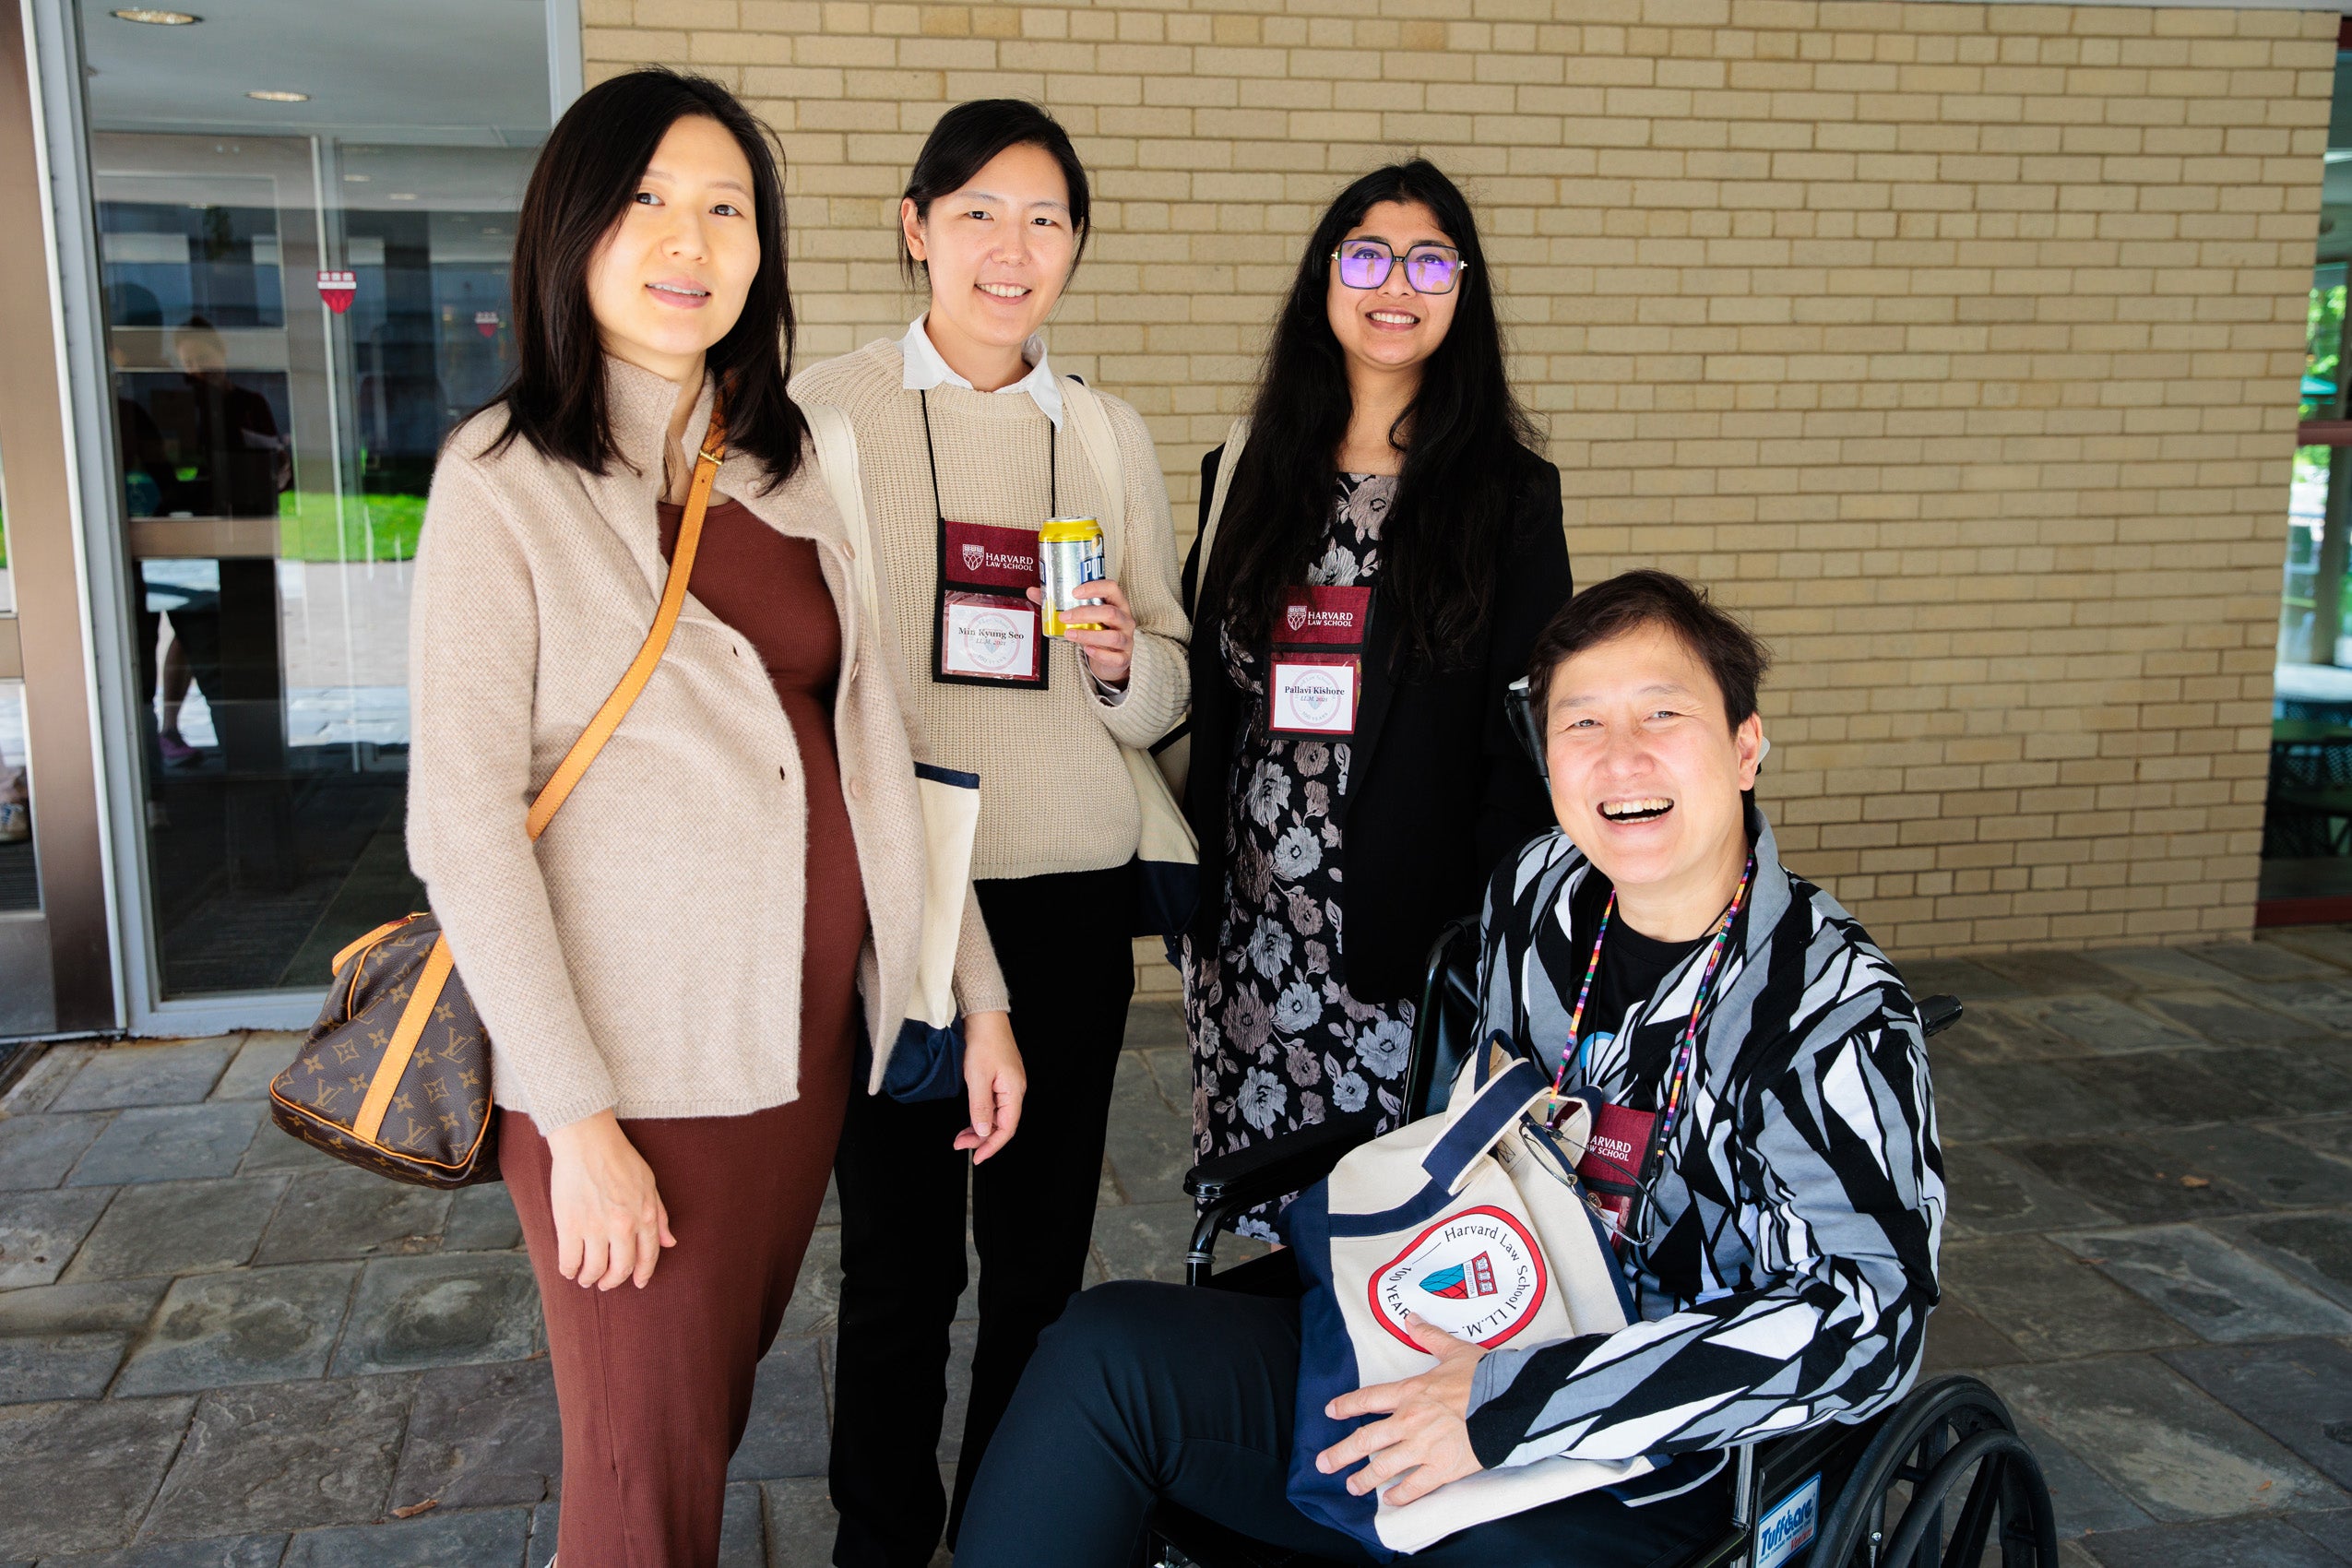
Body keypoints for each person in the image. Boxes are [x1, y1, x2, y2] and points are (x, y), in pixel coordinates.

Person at [956, 570, 1945, 1567]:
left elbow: (1874, 1320)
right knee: (1106, 1352)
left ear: (1745, 746)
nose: (1622, 755)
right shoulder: (1543, 892)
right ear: (1550, 764)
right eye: (1583, 723)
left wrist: (1513, 1404)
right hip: (1478, 1321)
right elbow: (1482, 1136)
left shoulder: (1830, 1010)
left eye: (1663, 712)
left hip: (1665, 1456)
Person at [405, 68, 1017, 1566]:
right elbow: (464, 825)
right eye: (649, 201)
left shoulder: (797, 462)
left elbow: (878, 742)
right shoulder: (504, 479)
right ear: (575, 232)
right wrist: (577, 1119)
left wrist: (971, 996)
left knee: (703, 1421)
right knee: (643, 1486)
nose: (692, 237)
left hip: (787, 1057)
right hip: (627, 1074)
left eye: (726, 206)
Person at [790, 99, 1191, 1566]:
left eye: (1043, 220)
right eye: (976, 214)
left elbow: (1167, 674)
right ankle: (880, 1545)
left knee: (1038, 1268)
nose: (1009, 250)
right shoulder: (823, 415)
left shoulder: (1104, 430)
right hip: (903, 899)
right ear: (915, 228)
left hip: (1073, 888)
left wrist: (1113, 663)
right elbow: (818, 685)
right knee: (898, 1265)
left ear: (1075, 245)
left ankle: (1015, 1536)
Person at [1182, 160, 1570, 1235]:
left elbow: (1526, 742)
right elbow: (1214, 693)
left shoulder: (1507, 496)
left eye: (1429, 260)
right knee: (1263, 1213)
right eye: (1366, 255)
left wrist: (1489, 947)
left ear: (1463, 289)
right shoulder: (1249, 469)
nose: (1394, 282)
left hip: (1402, 935)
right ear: (1325, 279)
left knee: (1389, 1227)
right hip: (1256, 931)